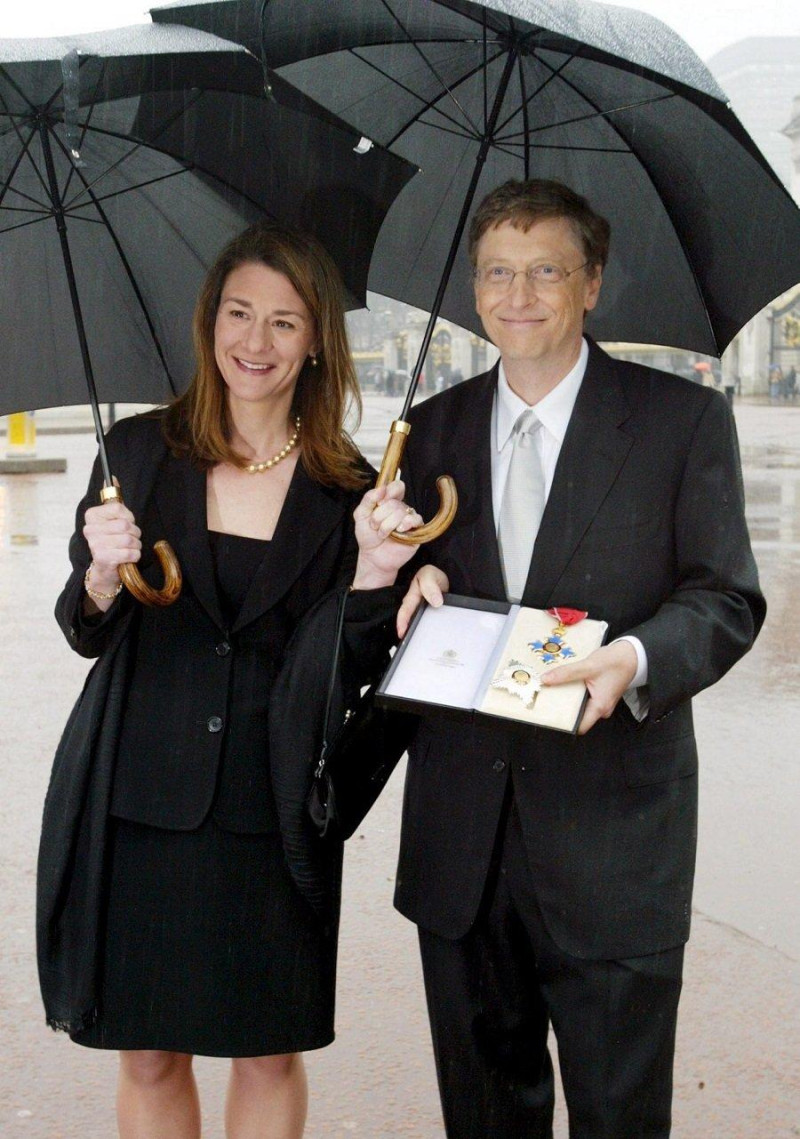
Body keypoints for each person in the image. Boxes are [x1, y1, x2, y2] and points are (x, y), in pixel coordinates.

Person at [393, 179, 765, 1138]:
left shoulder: (683, 421)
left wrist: (636, 658)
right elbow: (378, 607)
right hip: (462, 853)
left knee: (619, 1119)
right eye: (498, 272)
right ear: (474, 290)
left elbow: (726, 596)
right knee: (482, 1117)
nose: (520, 293)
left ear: (592, 283)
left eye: (547, 270)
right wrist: (387, 582)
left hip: (615, 848)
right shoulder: (426, 430)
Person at [37, 221, 421, 1139]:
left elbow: (351, 671)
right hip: (140, 798)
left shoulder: (350, 490)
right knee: (150, 1049)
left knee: (267, 1047)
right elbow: (84, 630)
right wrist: (99, 571)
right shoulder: (135, 454)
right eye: (240, 313)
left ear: (319, 340)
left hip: (273, 803)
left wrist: (373, 578)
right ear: (210, 321)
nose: (257, 342)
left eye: (285, 322)